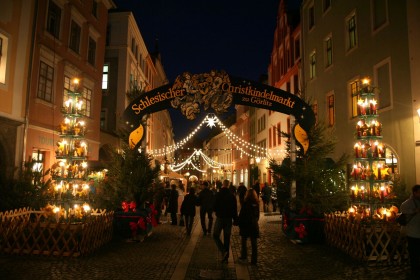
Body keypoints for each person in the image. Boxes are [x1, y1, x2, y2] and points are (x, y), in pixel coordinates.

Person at [213, 179, 238, 263]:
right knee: (227, 237)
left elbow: (214, 205)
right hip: (228, 219)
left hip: (220, 217)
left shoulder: (218, 194)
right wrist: (235, 219)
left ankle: (223, 251)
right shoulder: (232, 196)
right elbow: (234, 209)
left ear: (223, 184)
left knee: (215, 235)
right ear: (228, 185)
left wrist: (216, 211)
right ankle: (226, 257)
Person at [400, 184, 420, 279]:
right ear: (415, 192)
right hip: (413, 232)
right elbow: (402, 208)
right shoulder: (408, 203)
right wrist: (414, 210)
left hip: (418, 230)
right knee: (414, 253)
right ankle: (415, 271)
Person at [238, 189, 260, 265]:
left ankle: (244, 256)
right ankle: (254, 260)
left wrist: (239, 223)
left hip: (245, 225)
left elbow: (242, 215)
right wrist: (254, 221)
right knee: (254, 243)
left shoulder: (245, 203)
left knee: (244, 241)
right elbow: (257, 216)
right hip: (253, 225)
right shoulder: (256, 203)